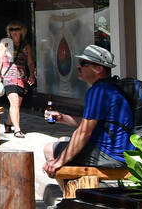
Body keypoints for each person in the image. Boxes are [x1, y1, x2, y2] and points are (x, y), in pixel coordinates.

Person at [42, 44, 135, 178]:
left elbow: (84, 132)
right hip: (121, 153)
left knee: (49, 149)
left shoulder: (98, 91)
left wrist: (58, 162)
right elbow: (90, 123)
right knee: (63, 140)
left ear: (98, 69)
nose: (78, 67)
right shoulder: (109, 88)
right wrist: (62, 118)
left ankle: (72, 196)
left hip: (112, 156)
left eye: (84, 63)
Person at [0, 21, 36, 138]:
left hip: (22, 78)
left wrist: (32, 75)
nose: (14, 32)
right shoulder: (5, 43)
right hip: (8, 77)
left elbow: (30, 62)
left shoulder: (26, 45)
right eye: (11, 29)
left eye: (16, 29)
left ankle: (8, 124)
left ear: (22, 30)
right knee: (14, 102)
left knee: (16, 105)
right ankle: (17, 130)